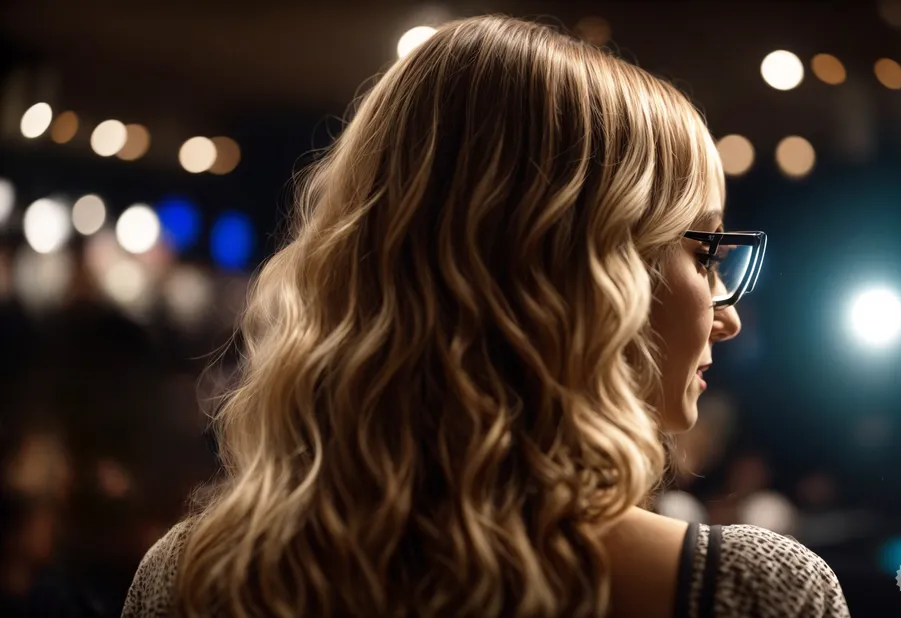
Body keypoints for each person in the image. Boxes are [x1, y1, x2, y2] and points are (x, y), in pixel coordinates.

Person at [122, 14, 849, 618]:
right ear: (588, 278)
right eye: (708, 254)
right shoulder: (753, 595)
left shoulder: (186, 580)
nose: (729, 320)